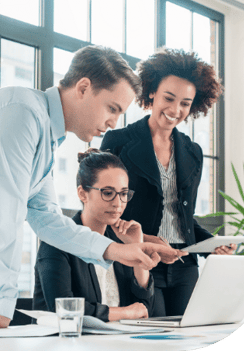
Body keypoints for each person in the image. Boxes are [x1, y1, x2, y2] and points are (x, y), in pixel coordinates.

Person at [0, 45, 182, 332]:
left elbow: (48, 221)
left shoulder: (46, 138)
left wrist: (118, 251)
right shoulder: (21, 113)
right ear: (83, 88)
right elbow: (9, 211)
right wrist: (2, 303)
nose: (113, 121)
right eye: (112, 108)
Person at [101, 48, 236, 317]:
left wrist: (211, 244)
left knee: (186, 338)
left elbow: (184, 218)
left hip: (184, 265)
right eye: (169, 98)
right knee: (147, 339)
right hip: (139, 259)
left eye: (185, 103)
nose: (175, 110)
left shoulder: (193, 152)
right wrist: (149, 241)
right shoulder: (118, 142)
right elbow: (106, 212)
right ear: (152, 92)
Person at [34, 149, 165, 321]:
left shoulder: (120, 241)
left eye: (124, 194)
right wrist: (125, 313)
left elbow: (145, 310)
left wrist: (136, 246)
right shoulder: (57, 240)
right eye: (108, 193)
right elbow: (63, 309)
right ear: (82, 194)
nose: (118, 203)